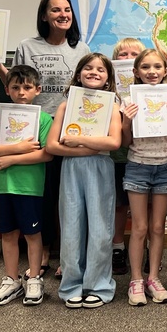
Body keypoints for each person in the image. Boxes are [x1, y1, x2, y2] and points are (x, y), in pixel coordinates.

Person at [0, 0, 92, 275]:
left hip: (67, 129)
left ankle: (67, 251)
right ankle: (45, 248)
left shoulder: (82, 49)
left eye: (67, 10)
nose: (63, 14)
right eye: (55, 10)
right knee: (43, 193)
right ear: (44, 15)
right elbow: (17, 84)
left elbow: (88, 89)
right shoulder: (27, 46)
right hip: (34, 127)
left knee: (68, 194)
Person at [45, 53, 122, 308]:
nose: (94, 73)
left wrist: (79, 140)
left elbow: (113, 142)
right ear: (78, 74)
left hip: (100, 168)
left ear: (109, 78)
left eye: (101, 70)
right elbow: (53, 146)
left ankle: (98, 284)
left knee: (101, 228)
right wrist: (87, 148)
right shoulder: (66, 106)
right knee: (72, 226)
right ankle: (71, 285)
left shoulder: (112, 106)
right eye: (88, 68)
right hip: (72, 168)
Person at [0, 65, 54, 306]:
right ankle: (11, 280)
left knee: (32, 233)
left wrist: (13, 157)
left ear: (37, 90)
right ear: (7, 90)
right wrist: (18, 147)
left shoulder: (43, 119)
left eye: (27, 87)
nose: (21, 92)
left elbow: (46, 155)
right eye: (15, 87)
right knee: (8, 234)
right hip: (4, 186)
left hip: (30, 187)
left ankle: (34, 277)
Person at [120, 48, 167, 306]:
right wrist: (127, 121)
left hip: (165, 166)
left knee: (158, 227)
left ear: (165, 71)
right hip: (138, 165)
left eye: (157, 67)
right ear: (136, 72)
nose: (152, 72)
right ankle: (136, 280)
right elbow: (124, 143)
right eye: (145, 67)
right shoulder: (128, 101)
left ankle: (153, 278)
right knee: (140, 227)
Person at [110, 37, 145, 276]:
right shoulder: (107, 90)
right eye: (123, 54)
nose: (128, 57)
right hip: (116, 156)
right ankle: (118, 247)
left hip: (142, 154)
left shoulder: (152, 89)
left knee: (146, 207)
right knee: (119, 205)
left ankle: (146, 249)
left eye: (134, 53)